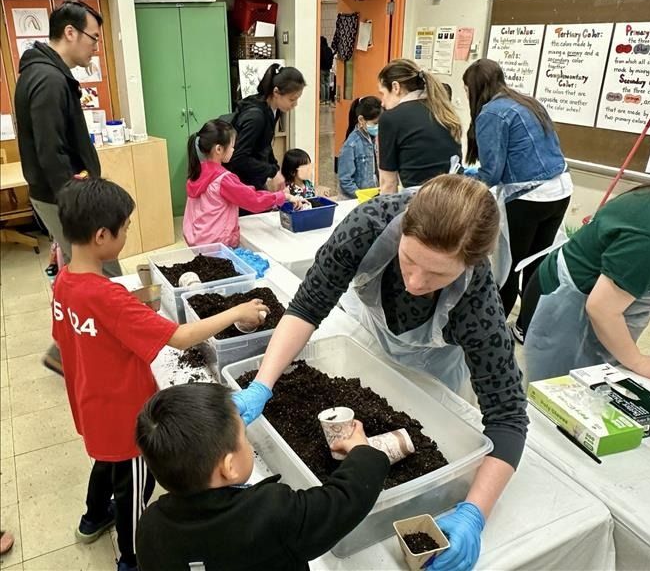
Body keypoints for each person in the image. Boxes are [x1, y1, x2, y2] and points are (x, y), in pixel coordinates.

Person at [233, 175, 529, 571]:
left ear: (468, 264)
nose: (416, 281)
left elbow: (508, 417)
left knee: (432, 427)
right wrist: (262, 384)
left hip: (434, 363)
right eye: (409, 260)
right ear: (403, 228)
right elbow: (307, 307)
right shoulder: (367, 226)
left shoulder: (479, 304)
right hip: (366, 335)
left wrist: (474, 512)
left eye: (438, 275)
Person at [53, 176, 270, 571]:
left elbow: (78, 339)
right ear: (102, 235)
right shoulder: (109, 298)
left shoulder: (65, 281)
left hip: (91, 407)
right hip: (125, 420)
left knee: (104, 463)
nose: (127, 232)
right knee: (134, 486)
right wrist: (237, 311)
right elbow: (182, 337)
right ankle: (132, 558)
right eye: (125, 228)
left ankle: (92, 518)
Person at [135, 383, 389, 571]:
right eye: (243, 436)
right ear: (229, 466)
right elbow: (344, 499)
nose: (247, 441)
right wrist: (362, 451)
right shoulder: (271, 512)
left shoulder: (150, 527)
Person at [14, 0, 121, 375]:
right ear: (70, 32)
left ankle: (72, 347)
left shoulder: (47, 73)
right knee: (99, 268)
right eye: (93, 38)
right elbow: (50, 150)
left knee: (84, 269)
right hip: (61, 196)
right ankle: (82, 351)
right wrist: (77, 201)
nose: (95, 47)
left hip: (59, 194)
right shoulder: (48, 79)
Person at [462, 58, 573, 322]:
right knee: (536, 264)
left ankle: (495, 325)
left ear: (476, 87)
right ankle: (525, 325)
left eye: (467, 90)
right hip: (561, 190)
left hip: (529, 198)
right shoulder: (528, 102)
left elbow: (492, 173)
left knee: (508, 266)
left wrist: (465, 180)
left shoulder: (491, 113)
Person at [521, 185, 650, 382]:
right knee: (557, 396)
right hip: (567, 309)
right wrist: (638, 361)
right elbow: (602, 308)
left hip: (606, 305)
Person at [183, 119, 303, 247]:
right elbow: (253, 200)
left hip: (197, 240)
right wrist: (283, 196)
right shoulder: (224, 179)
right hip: (217, 244)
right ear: (218, 149)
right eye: (232, 147)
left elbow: (238, 192)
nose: (233, 150)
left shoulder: (197, 172)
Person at [377, 59, 462, 193]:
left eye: (383, 93)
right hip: (455, 198)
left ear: (395, 87)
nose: (382, 102)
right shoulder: (443, 111)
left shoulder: (391, 119)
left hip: (421, 204)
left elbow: (388, 183)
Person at [226, 63, 306, 194]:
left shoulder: (273, 110)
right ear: (276, 92)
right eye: (292, 99)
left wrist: (275, 169)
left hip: (249, 176)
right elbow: (238, 158)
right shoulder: (256, 117)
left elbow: (265, 145)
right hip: (238, 180)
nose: (295, 105)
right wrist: (272, 172)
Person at [337, 96, 381, 199]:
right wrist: (362, 196)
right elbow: (345, 180)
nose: (378, 126)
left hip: (375, 196)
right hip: (357, 200)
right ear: (361, 120)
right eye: (375, 123)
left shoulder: (376, 138)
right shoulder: (351, 144)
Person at [319, 36, 334, 105]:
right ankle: (328, 100)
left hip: (322, 68)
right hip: (328, 69)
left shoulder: (320, 49)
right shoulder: (329, 49)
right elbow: (332, 58)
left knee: (322, 84)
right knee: (327, 84)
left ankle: (323, 100)